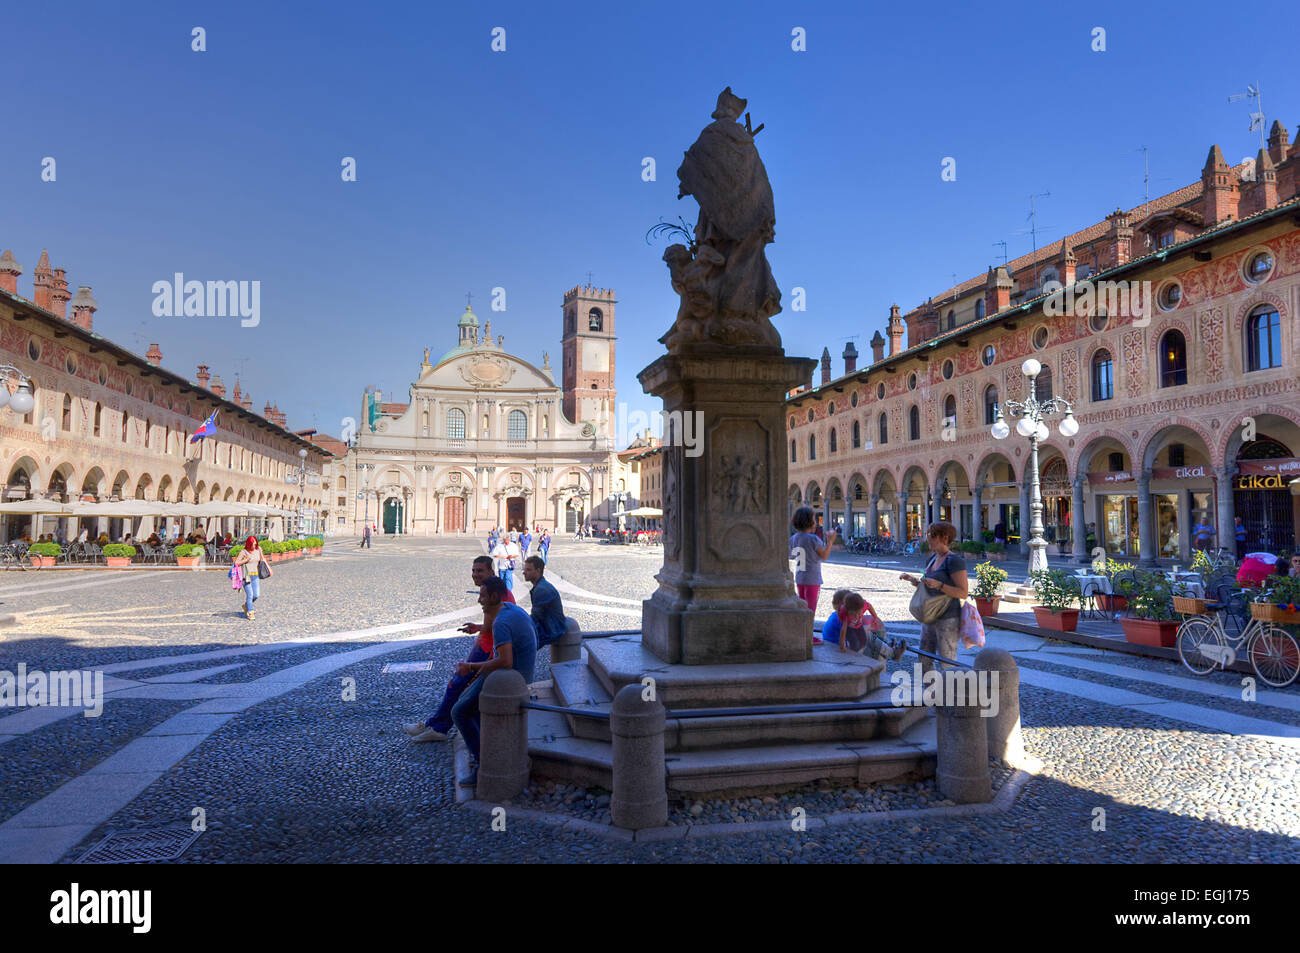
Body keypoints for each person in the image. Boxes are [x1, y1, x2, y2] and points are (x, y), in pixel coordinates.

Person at [405, 556, 515, 743]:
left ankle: (438, 728)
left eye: (479, 570)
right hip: (484, 644)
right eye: (473, 570)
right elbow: (493, 623)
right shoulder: (493, 590)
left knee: (457, 685)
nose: (475, 574)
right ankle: (434, 724)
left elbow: (504, 626)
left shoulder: (498, 594)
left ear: (491, 571)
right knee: (456, 684)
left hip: (490, 649)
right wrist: (478, 627)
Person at [451, 576, 537, 787]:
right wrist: (477, 674)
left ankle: (484, 764)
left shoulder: (501, 623)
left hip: (512, 677)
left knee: (459, 711)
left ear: (494, 597)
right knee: (468, 699)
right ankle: (487, 747)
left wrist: (470, 668)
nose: (479, 600)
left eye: (482, 596)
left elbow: (505, 661)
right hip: (520, 670)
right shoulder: (508, 608)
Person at [901, 522, 968, 677]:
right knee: (923, 657)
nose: (928, 539)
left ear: (944, 538)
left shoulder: (954, 561)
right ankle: (930, 692)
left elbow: (963, 592)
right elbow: (928, 586)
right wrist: (914, 581)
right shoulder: (931, 559)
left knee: (947, 661)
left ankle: (949, 696)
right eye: (927, 535)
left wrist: (940, 585)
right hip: (929, 616)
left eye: (932, 535)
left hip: (947, 618)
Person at [790, 506, 834, 637]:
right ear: (809, 521)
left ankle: (801, 633)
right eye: (814, 519)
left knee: (802, 607)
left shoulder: (794, 538)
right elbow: (824, 556)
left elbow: (791, 555)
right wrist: (830, 542)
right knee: (810, 610)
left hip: (800, 578)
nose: (815, 521)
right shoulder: (813, 539)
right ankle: (808, 636)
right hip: (812, 579)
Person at [522, 555, 566, 649]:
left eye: (528, 570)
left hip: (553, 629)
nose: (524, 572)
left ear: (538, 571)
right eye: (525, 569)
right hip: (549, 625)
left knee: (520, 645)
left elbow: (535, 618)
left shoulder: (542, 589)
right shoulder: (540, 586)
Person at [232, 535, 270, 621]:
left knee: (256, 595)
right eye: (252, 544)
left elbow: (262, 560)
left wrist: (261, 554)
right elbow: (237, 562)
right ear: (249, 544)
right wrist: (246, 560)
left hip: (255, 575)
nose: (254, 546)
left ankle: (246, 605)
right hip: (246, 576)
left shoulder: (258, 549)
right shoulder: (244, 551)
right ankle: (250, 612)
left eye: (255, 544)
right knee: (250, 595)